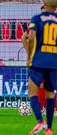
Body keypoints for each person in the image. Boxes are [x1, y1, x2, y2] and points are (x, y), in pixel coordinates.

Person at [24, 1, 57, 134]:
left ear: (44, 3)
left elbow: (30, 37)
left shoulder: (37, 18)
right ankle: (49, 128)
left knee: (32, 91)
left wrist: (29, 57)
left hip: (39, 60)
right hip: (54, 62)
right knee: (50, 95)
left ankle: (39, 121)